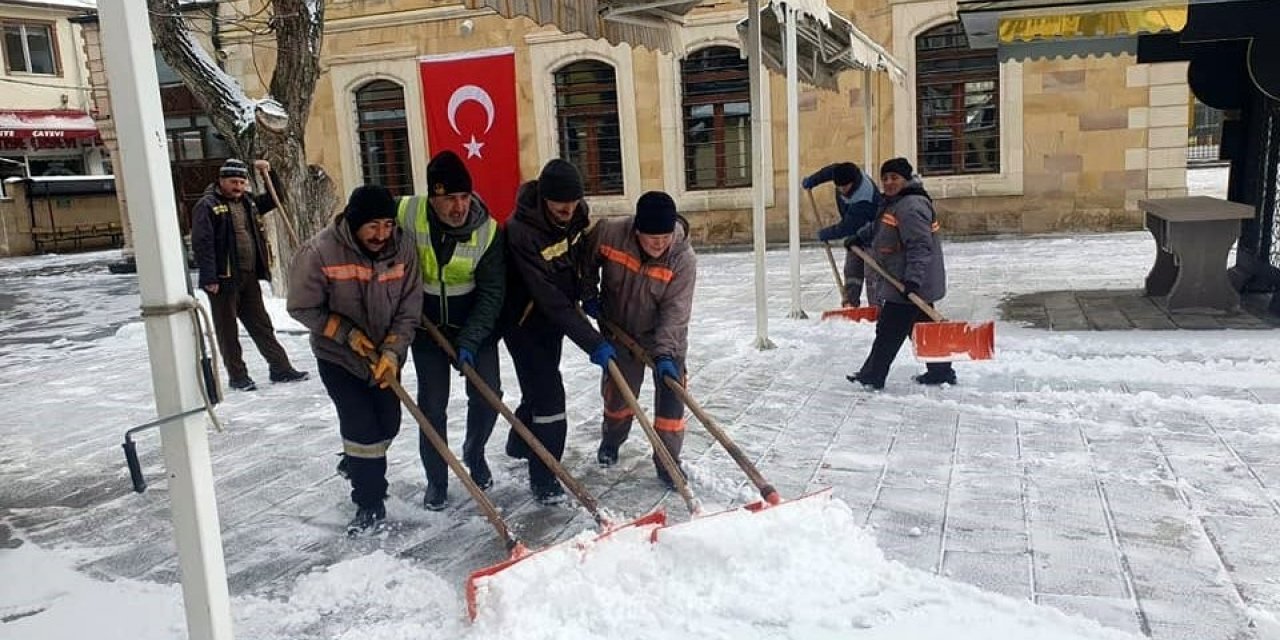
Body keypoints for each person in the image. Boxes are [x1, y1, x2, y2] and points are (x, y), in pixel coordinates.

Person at [287, 185, 422, 536]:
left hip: (385, 356)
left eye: (388, 225)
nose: (382, 234)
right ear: (353, 222)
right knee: (362, 427)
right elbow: (301, 306)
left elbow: (410, 307)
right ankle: (369, 501)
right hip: (339, 357)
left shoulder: (404, 248)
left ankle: (357, 463)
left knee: (389, 423)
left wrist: (392, 350)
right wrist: (345, 332)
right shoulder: (319, 252)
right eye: (373, 226)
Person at [501, 158, 616, 505]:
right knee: (550, 397)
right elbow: (547, 295)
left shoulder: (576, 214)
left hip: (557, 318)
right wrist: (593, 342)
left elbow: (580, 259)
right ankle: (545, 478)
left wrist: (588, 293)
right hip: (523, 322)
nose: (568, 210)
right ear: (544, 198)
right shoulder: (521, 231)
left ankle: (519, 442)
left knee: (538, 388)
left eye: (573, 202)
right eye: (560, 204)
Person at [399, 150, 505, 511]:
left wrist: (470, 341)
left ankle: (474, 452)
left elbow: (492, 293)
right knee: (432, 406)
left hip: (473, 325)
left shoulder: (487, 230)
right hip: (427, 329)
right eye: (449, 199)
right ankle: (437, 479)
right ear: (433, 197)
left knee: (489, 395)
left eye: (464, 196)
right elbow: (365, 214)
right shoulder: (407, 213)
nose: (459, 207)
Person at [581, 191, 696, 489]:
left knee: (671, 403)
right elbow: (585, 260)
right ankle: (611, 441)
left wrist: (665, 354)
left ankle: (668, 463)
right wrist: (588, 292)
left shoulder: (682, 258)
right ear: (636, 230)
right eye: (652, 237)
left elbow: (676, 312)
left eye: (665, 237)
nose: (659, 244)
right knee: (619, 397)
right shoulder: (610, 233)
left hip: (664, 336)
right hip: (619, 330)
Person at [191, 158, 308, 391]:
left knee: (262, 325)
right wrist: (210, 277)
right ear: (222, 181)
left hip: (249, 276)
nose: (238, 186)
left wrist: (268, 174)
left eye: (241, 182)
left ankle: (280, 368)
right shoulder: (208, 205)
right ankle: (238, 376)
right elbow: (202, 243)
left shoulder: (249, 202)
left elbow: (276, 198)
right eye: (233, 182)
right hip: (224, 278)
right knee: (228, 331)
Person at [846, 158, 956, 390]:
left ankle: (872, 376)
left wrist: (912, 281)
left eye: (894, 177)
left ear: (906, 179)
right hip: (904, 279)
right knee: (922, 327)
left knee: (888, 330)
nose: (888, 182)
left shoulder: (911, 206)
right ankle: (941, 371)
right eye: (885, 178)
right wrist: (860, 237)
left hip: (909, 281)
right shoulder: (895, 202)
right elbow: (880, 228)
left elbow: (919, 246)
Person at [802, 162, 882, 306]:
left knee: (872, 275)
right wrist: (813, 180)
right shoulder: (842, 172)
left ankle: (876, 309)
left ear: (853, 182)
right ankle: (850, 304)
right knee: (851, 271)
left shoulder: (864, 198)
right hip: (856, 235)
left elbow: (847, 227)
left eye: (845, 187)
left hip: (873, 236)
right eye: (838, 186)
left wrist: (826, 233)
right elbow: (827, 172)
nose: (841, 190)